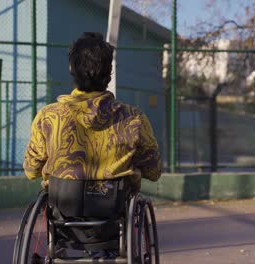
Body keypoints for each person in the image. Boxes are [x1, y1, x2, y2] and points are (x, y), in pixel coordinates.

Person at [23, 31, 162, 194]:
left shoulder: (48, 117)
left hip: (63, 206)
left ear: (71, 69)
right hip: (113, 206)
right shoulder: (133, 118)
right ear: (110, 71)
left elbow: (31, 170)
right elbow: (154, 171)